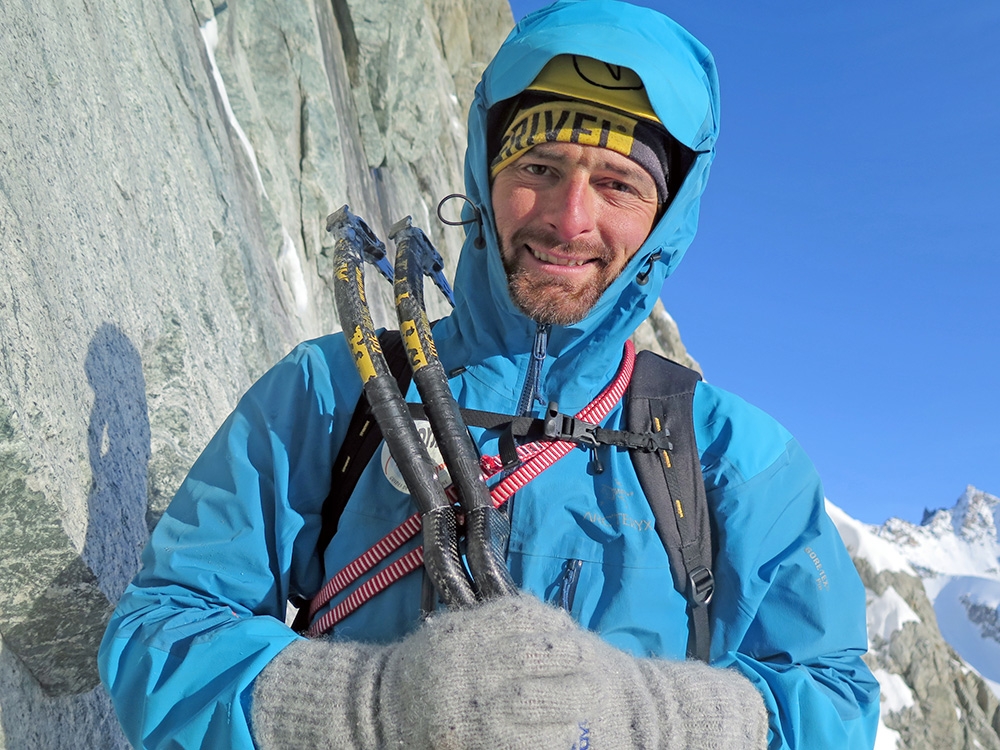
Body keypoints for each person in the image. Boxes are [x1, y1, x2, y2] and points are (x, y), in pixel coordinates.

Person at [99, 1, 880, 748]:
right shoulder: (336, 389)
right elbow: (162, 632)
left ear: (665, 219)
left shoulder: (732, 461)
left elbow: (832, 699)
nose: (569, 219)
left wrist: (647, 718)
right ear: (486, 174)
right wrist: (367, 709)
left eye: (617, 185)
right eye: (539, 166)